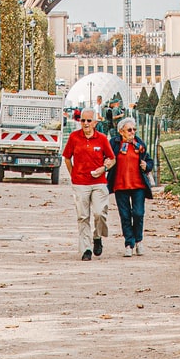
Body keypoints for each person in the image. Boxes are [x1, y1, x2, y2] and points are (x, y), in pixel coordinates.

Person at [62, 108, 114, 260]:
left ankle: (97, 237)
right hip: (80, 183)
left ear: (95, 122)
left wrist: (103, 168)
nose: (85, 123)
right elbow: (66, 158)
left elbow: (112, 159)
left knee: (99, 213)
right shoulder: (74, 137)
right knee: (83, 216)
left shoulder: (102, 138)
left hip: (98, 182)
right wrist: (73, 175)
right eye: (82, 120)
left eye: (88, 120)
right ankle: (86, 249)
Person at [106, 115, 153, 256]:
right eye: (129, 130)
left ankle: (139, 241)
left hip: (138, 185)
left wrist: (147, 166)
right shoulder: (114, 143)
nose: (132, 132)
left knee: (138, 214)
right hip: (120, 185)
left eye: (134, 130)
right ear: (121, 131)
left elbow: (149, 161)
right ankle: (129, 243)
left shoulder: (139, 144)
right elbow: (106, 158)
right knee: (125, 215)